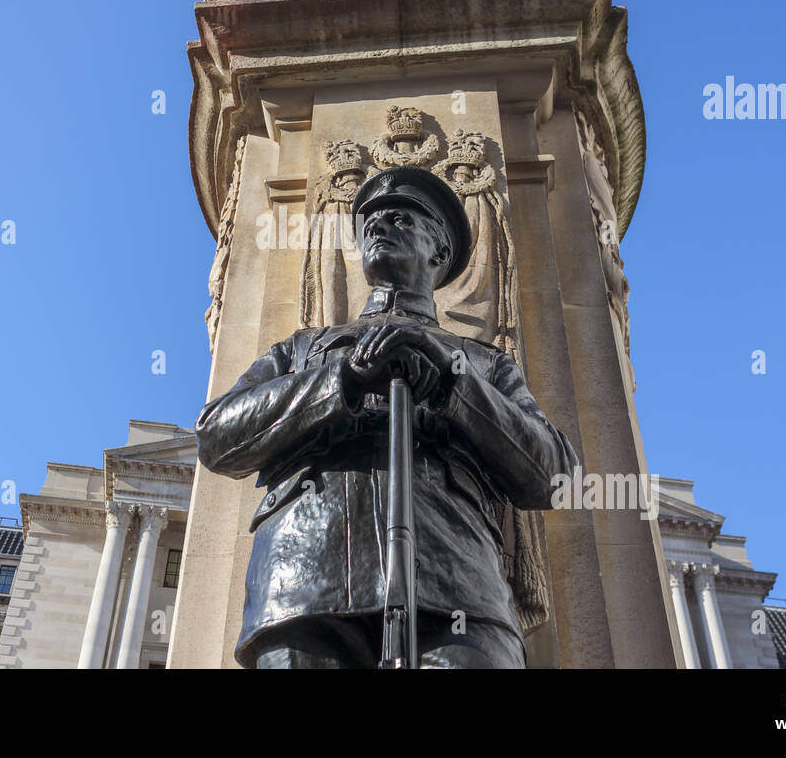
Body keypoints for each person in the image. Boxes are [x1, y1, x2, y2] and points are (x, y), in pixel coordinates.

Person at [196, 166, 578, 668]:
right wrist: (342, 381)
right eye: (370, 223)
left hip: (458, 590)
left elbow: (554, 475)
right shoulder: (305, 350)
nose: (378, 227)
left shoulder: (482, 362)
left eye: (399, 218)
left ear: (439, 251)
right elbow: (217, 436)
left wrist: (452, 384)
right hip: (305, 587)